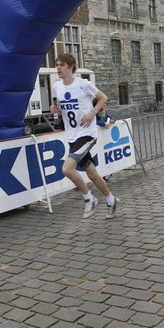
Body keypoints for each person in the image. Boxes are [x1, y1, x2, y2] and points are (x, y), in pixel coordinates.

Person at [50, 53, 120, 219]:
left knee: (67, 169)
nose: (58, 68)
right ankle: (111, 201)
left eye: (62, 65)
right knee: (93, 175)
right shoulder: (56, 87)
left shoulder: (83, 84)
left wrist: (93, 113)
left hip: (87, 134)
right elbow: (66, 108)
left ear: (71, 66)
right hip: (72, 135)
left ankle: (89, 199)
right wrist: (58, 110)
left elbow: (103, 98)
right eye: (57, 65)